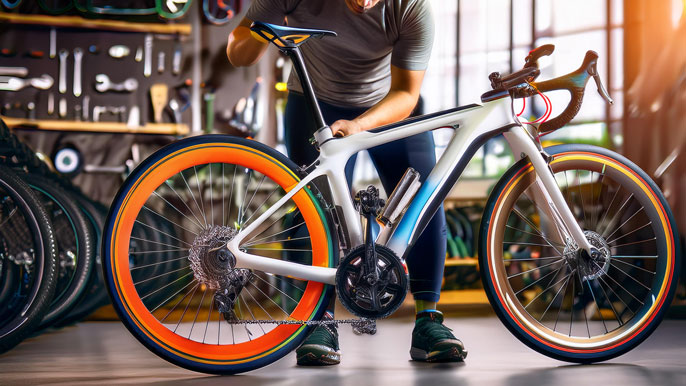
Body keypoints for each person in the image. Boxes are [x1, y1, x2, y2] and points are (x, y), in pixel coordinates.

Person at [227, 0, 467, 365]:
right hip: (313, 102)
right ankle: (318, 321)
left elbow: (406, 93)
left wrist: (359, 126)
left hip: (388, 105)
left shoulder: (412, 7)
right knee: (315, 214)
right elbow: (237, 52)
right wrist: (262, 36)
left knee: (423, 205)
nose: (365, 3)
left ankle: (428, 321)